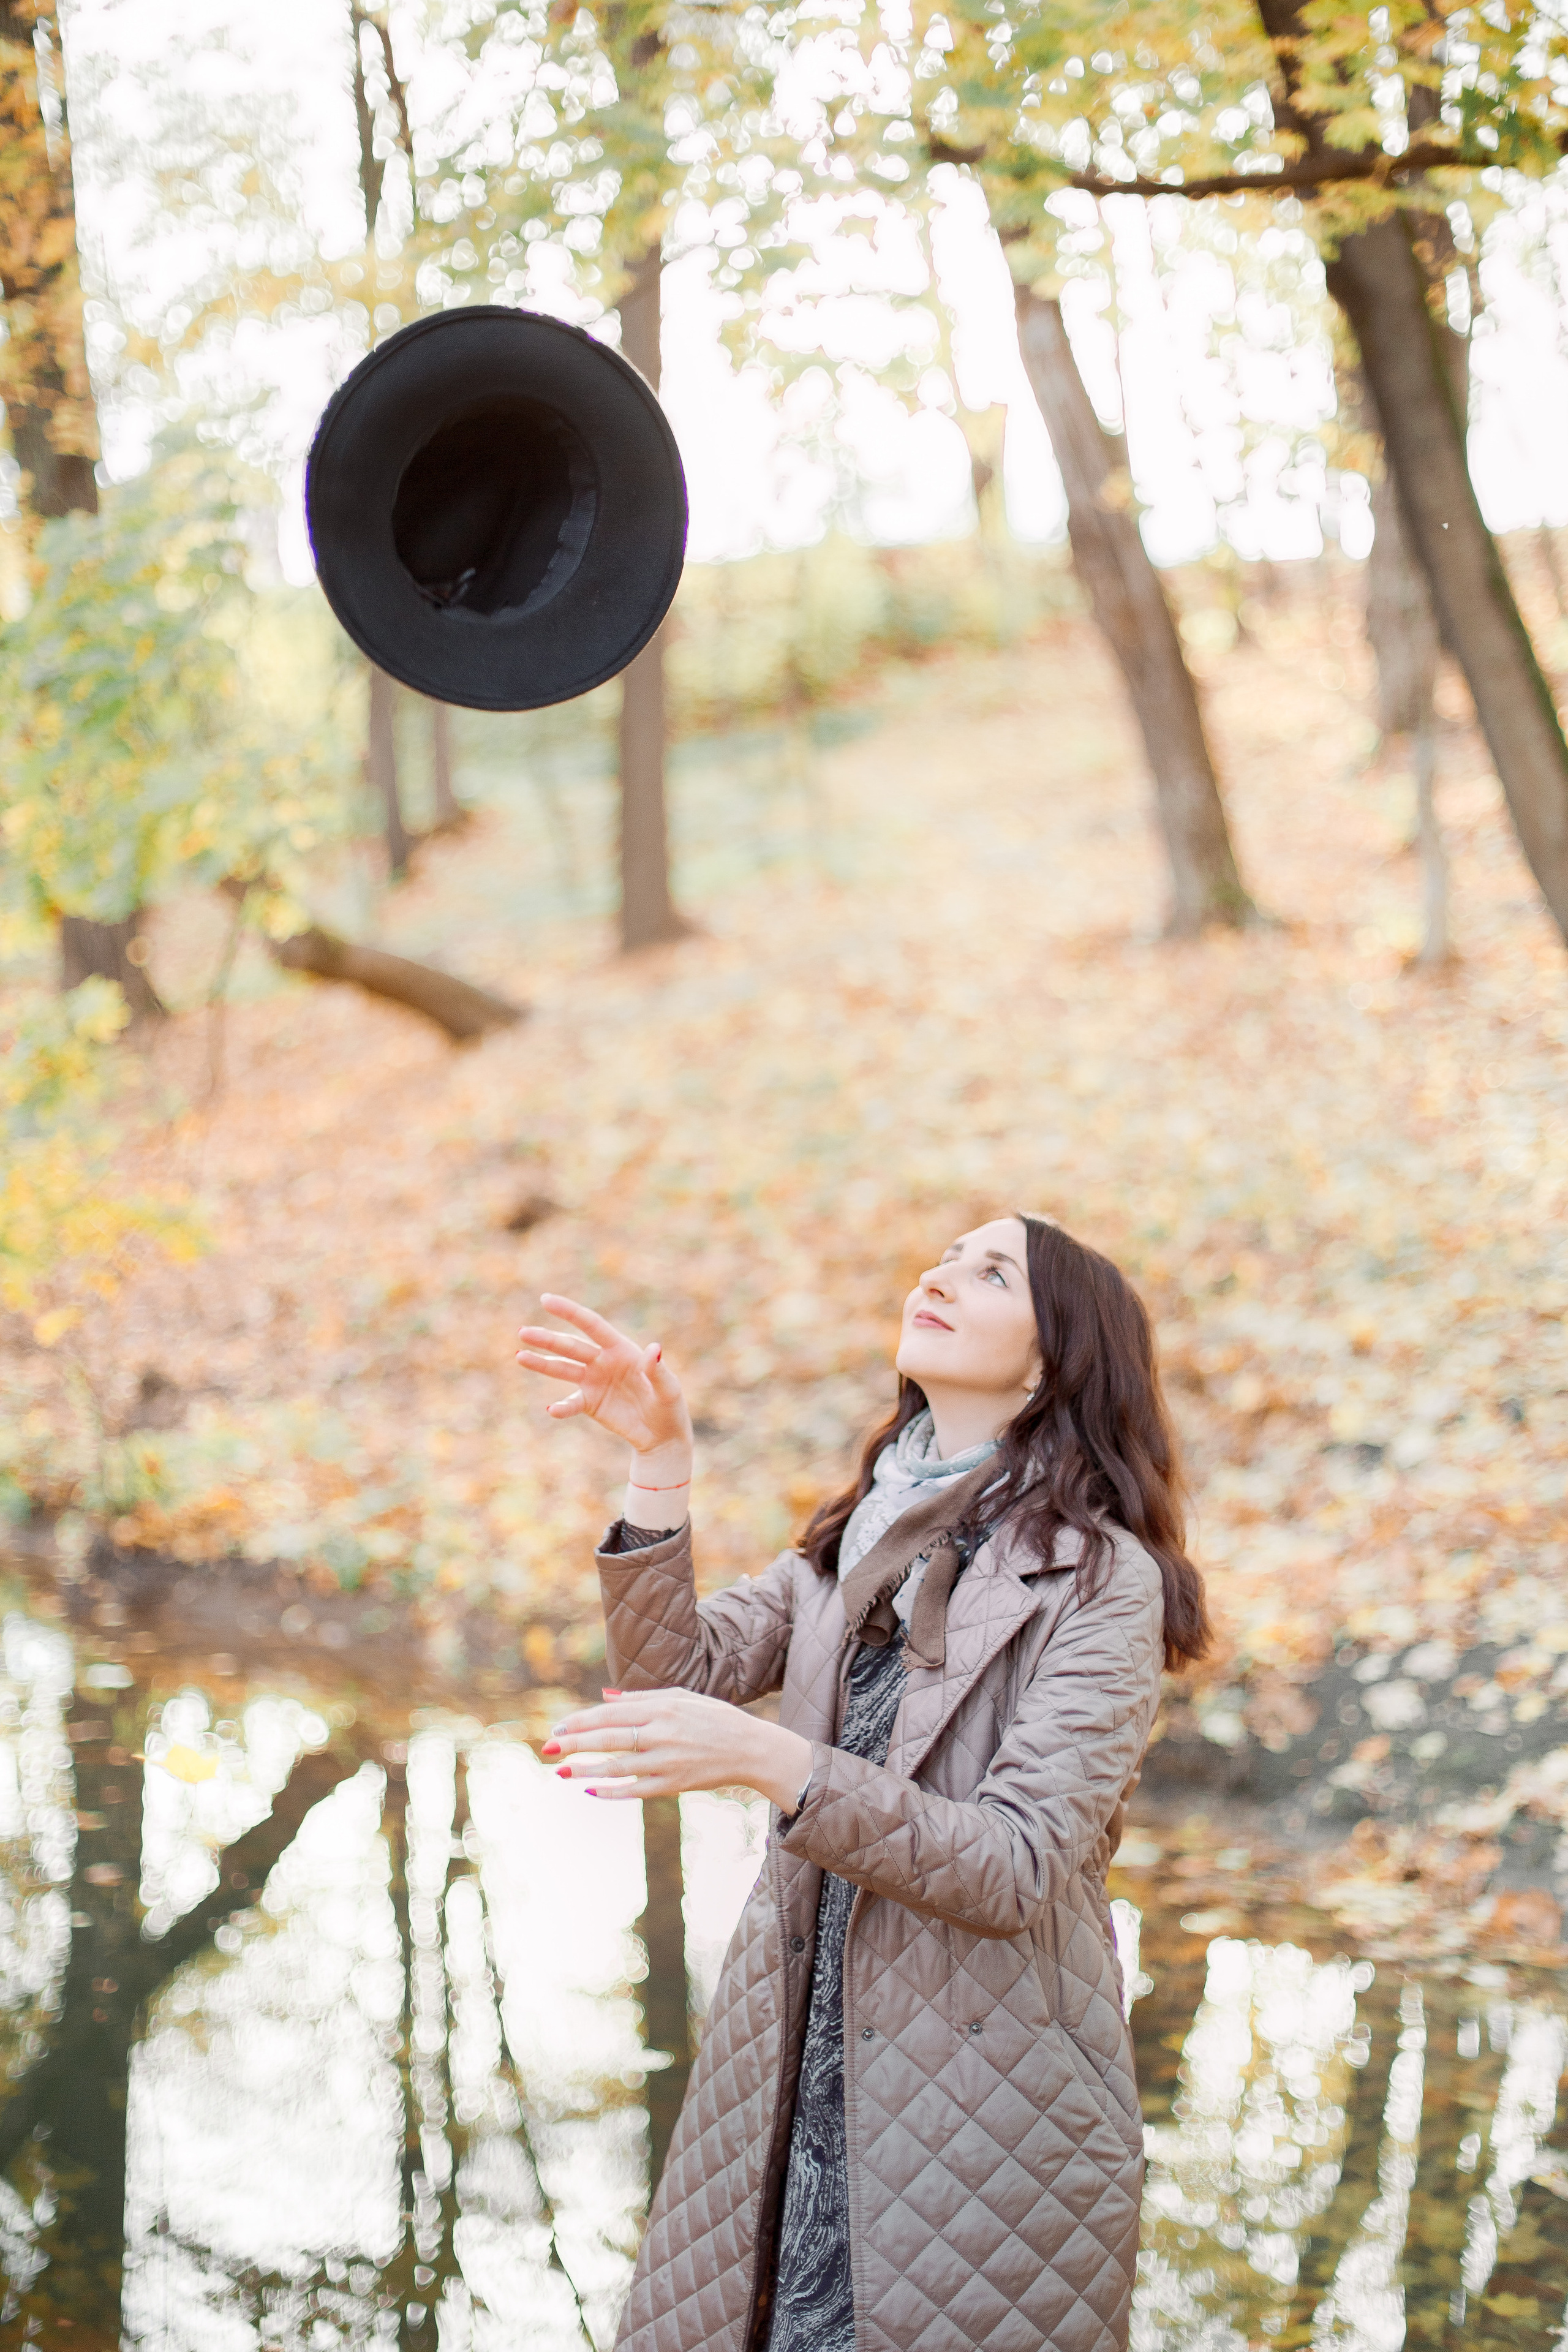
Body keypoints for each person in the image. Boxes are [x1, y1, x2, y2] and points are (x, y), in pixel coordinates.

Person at [517, 1212, 1210, 2352]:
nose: (941, 1276)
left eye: (992, 1274)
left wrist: (771, 1761)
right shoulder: (858, 1538)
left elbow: (1017, 1867)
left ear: (1054, 1362)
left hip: (982, 2119)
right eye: (946, 1258)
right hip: (782, 2074)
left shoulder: (1101, 1581)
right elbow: (671, 1683)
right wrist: (659, 1466)